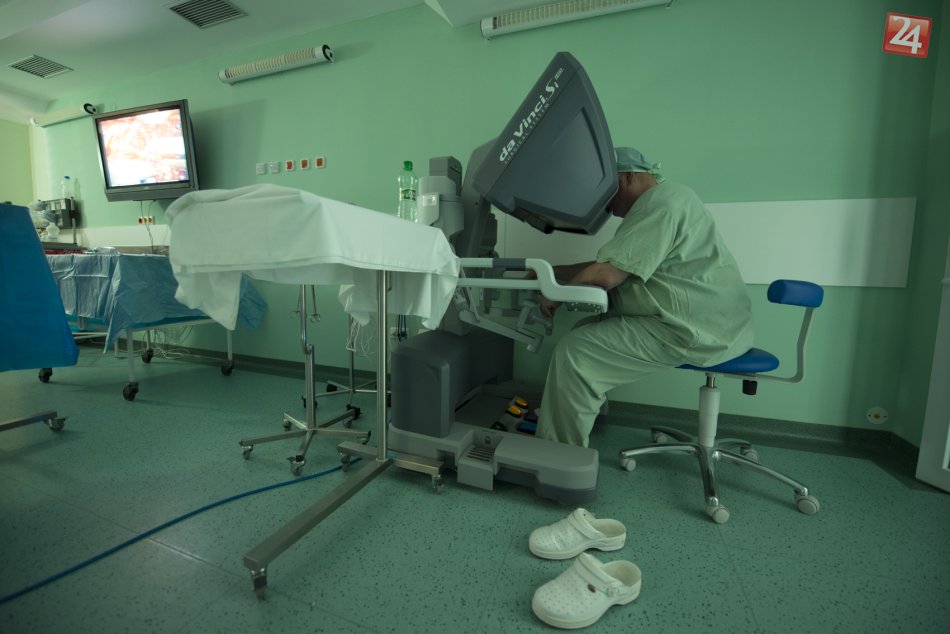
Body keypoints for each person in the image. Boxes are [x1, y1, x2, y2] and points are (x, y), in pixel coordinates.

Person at [534, 147, 754, 447]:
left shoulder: (658, 205)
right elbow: (612, 264)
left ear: (627, 177)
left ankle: (560, 456)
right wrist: (552, 271)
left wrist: (554, 295)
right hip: (717, 324)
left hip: (694, 329)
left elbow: (605, 275)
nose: (604, 205)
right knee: (584, 330)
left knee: (576, 352)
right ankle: (574, 416)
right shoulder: (669, 198)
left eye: (605, 192)